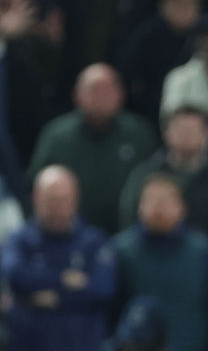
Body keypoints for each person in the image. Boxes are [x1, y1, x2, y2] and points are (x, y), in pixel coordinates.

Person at [0, 165, 115, 351]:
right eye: (50, 199)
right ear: (36, 198)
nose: (57, 207)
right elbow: (14, 275)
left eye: (63, 199)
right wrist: (63, 279)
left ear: (76, 198)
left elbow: (102, 289)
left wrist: (34, 297)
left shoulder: (94, 242)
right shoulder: (19, 240)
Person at [110, 173, 208, 351]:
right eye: (151, 200)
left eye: (165, 200)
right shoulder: (120, 252)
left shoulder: (204, 252)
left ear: (182, 207)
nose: (158, 207)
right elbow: (111, 313)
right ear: (139, 207)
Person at [28, 63, 158, 236]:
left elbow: (156, 183)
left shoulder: (140, 134)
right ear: (76, 95)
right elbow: (34, 184)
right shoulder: (56, 136)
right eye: (94, 90)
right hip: (69, 237)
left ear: (120, 95)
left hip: (130, 235)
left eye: (108, 90)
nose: (101, 97)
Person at [119, 106, 208, 265]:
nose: (186, 136)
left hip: (206, 264)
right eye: (180, 129)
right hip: (149, 261)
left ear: (207, 134)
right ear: (166, 133)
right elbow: (128, 221)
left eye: (192, 130)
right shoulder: (144, 175)